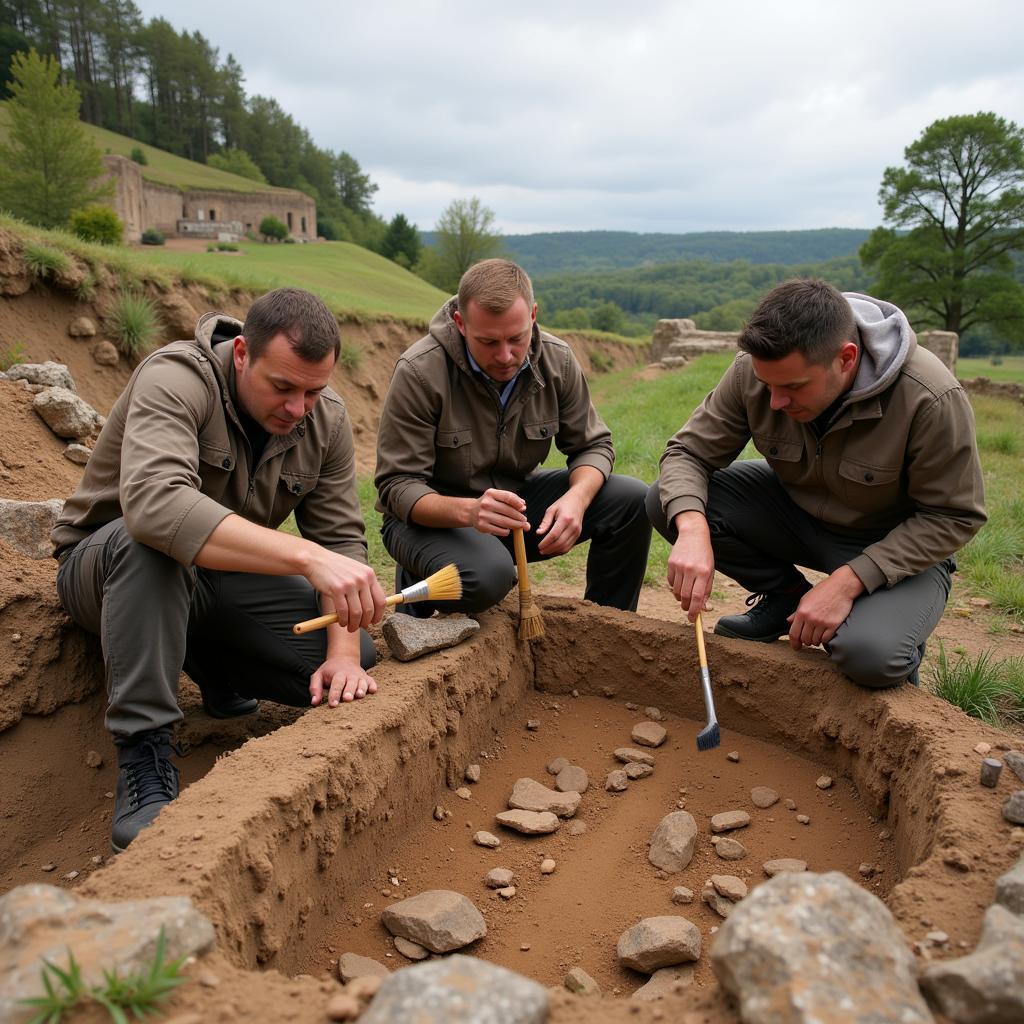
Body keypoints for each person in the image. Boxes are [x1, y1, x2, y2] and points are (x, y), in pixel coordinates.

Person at [52, 287, 387, 851]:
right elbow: (156, 506)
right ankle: (144, 752)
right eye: (282, 387)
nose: (297, 408)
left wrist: (345, 653)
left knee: (342, 653)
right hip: (108, 570)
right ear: (240, 354)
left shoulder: (323, 420)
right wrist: (308, 558)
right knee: (150, 544)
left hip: (214, 580)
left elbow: (341, 540)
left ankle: (207, 661)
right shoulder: (176, 379)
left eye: (313, 391)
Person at [647, 278, 986, 688]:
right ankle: (785, 597)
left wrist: (847, 582)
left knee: (871, 657)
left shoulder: (929, 397)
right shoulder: (755, 371)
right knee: (668, 502)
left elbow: (953, 515)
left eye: (792, 387)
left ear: (846, 359)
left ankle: (888, 627)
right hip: (797, 517)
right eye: (767, 385)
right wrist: (692, 528)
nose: (774, 402)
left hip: (892, 544)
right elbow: (687, 453)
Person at [375, 258, 651, 616]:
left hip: (512, 510)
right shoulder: (419, 371)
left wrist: (577, 500)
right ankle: (425, 576)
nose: (505, 356)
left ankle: (607, 627)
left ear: (533, 315)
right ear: (460, 323)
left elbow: (593, 446)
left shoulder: (559, 361)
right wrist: (470, 512)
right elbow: (397, 486)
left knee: (631, 501)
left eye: (516, 338)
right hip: (431, 520)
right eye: (488, 342)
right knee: (489, 575)